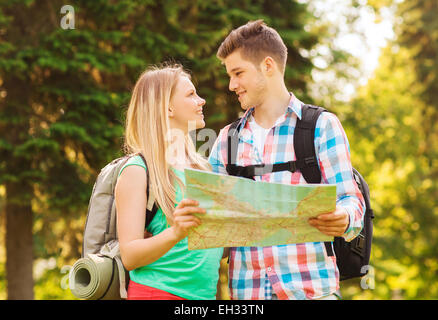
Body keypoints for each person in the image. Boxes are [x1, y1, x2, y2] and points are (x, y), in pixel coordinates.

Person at [209, 20, 365, 300]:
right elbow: (211, 222)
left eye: (238, 73)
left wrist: (343, 218)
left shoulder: (321, 126)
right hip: (248, 294)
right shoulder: (226, 140)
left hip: (312, 292)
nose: (232, 85)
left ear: (267, 66)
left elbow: (351, 202)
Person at [115, 64, 223, 300]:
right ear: (168, 108)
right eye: (191, 94)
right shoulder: (138, 170)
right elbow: (130, 255)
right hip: (158, 293)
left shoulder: (203, 168)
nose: (201, 100)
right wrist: (176, 232)